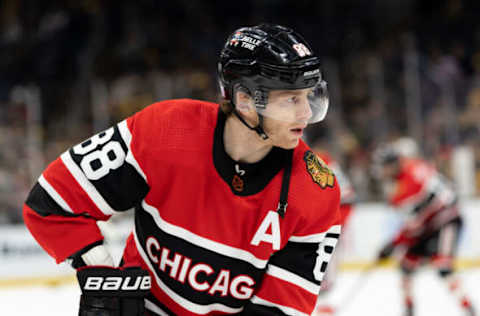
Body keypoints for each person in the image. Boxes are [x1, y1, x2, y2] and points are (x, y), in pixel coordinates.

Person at [23, 24, 342, 316]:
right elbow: (51, 203)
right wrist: (103, 274)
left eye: (309, 97)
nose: (306, 113)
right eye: (290, 100)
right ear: (244, 99)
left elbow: (279, 311)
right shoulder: (164, 131)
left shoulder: (317, 190)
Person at [373, 144, 476, 316]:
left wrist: (392, 245)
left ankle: (468, 309)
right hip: (428, 225)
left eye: (385, 167)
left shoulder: (407, 185)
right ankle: (409, 309)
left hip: (446, 221)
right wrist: (395, 243)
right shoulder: (414, 167)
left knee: (444, 267)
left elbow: (414, 224)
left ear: (393, 164)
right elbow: (416, 222)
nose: (383, 172)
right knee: (406, 266)